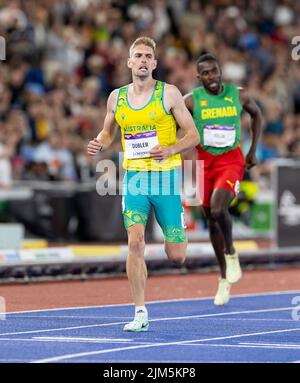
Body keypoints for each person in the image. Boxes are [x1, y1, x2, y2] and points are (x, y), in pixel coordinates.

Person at [87, 37, 200, 331]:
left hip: (165, 179)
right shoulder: (117, 98)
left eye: (148, 56)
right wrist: (99, 142)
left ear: (154, 64)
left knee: (176, 255)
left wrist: (171, 149)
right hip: (135, 179)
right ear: (129, 62)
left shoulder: (169, 94)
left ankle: (177, 228)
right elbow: (108, 132)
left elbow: (193, 135)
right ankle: (140, 312)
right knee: (135, 243)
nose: (143, 60)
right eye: (137, 55)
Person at [184, 53, 262, 306]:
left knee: (219, 210)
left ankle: (231, 252)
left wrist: (251, 151)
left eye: (214, 71)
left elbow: (257, 115)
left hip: (231, 161)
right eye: (205, 73)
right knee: (210, 218)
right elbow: (172, 123)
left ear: (220, 71)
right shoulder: (191, 101)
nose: (211, 77)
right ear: (199, 77)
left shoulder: (237, 95)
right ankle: (223, 277)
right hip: (203, 163)